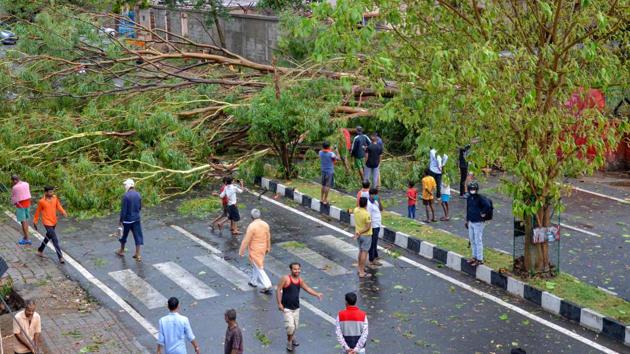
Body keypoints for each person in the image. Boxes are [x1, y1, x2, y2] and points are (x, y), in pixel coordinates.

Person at [276, 262, 323, 352]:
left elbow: (307, 288)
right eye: (295, 269)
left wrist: (317, 294)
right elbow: (278, 289)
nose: (297, 271)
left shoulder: (300, 280)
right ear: (291, 270)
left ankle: (292, 337)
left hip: (296, 307)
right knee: (290, 327)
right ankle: (289, 342)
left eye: (298, 269)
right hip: (287, 308)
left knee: (295, 326)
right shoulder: (286, 279)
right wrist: (279, 303)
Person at [239, 209, 272, 294]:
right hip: (263, 248)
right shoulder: (265, 224)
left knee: (258, 266)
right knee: (256, 266)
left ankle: (267, 284)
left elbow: (246, 240)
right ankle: (253, 282)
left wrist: (241, 251)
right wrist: (268, 247)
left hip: (255, 249)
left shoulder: (252, 226)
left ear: (251, 217)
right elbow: (268, 237)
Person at [33, 186, 67, 264]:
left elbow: (58, 206)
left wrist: (63, 211)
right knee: (55, 239)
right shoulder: (41, 201)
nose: (52, 193)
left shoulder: (55, 198)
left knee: (48, 237)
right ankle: (60, 257)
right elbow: (38, 212)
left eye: (52, 192)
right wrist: (35, 221)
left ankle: (40, 250)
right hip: (47, 222)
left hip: (54, 221)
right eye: (50, 192)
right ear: (46, 192)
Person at [117, 178, 144, 261]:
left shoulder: (125, 196)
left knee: (124, 235)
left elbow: (123, 211)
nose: (124, 186)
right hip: (136, 219)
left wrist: (120, 221)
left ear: (128, 185)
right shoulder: (138, 194)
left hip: (127, 220)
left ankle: (121, 250)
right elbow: (139, 207)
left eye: (125, 185)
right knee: (137, 236)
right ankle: (138, 254)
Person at [465, 182, 491, 266]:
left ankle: (480, 259)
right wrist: (467, 220)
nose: (472, 191)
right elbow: (468, 209)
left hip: (478, 222)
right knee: (472, 240)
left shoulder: (480, 198)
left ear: (476, 190)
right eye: (471, 189)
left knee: (478, 240)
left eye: (474, 189)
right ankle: (474, 257)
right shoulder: (469, 198)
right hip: (471, 221)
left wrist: (483, 213)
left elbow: (487, 205)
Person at [353, 197, 372, 278]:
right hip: (366, 235)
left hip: (358, 235)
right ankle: (362, 272)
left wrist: (358, 233)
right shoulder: (367, 214)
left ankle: (359, 268)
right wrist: (360, 232)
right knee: (364, 252)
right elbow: (368, 227)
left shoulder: (356, 210)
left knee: (360, 251)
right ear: (366, 204)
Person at [11, 175, 32, 245]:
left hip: (20, 206)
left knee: (23, 222)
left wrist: (13, 202)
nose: (13, 183)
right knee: (26, 220)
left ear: (14, 180)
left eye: (12, 181)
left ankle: (27, 238)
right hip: (28, 204)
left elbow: (14, 198)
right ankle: (26, 237)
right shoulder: (26, 183)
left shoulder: (15, 187)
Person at [319, 141, 340, 205]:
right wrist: (336, 150)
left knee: (323, 185)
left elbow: (326, 151)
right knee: (327, 186)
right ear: (328, 147)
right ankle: (325, 199)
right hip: (329, 172)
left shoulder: (320, 152)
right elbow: (338, 158)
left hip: (323, 171)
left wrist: (331, 149)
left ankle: (321, 198)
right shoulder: (331, 154)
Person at [367, 188, 383, 269]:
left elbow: (381, 209)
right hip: (373, 226)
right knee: (373, 243)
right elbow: (368, 217)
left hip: (377, 224)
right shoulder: (369, 204)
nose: (377, 196)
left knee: (375, 241)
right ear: (371, 195)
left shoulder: (376, 202)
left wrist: (379, 201)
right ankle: (372, 259)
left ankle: (375, 255)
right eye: (375, 194)